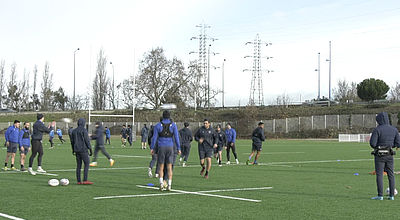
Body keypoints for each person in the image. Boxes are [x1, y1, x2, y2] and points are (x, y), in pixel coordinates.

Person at [370, 112, 400, 200]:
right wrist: (391, 146)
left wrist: (379, 146)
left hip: (379, 155)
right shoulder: (394, 129)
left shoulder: (377, 130)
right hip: (390, 154)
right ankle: (391, 195)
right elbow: (398, 143)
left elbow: (372, 143)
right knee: (391, 174)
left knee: (379, 175)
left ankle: (380, 195)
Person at [150, 110, 181, 191]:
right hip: (170, 147)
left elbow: (154, 138)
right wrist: (179, 148)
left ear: (162, 116)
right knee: (169, 166)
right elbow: (177, 137)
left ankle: (161, 184)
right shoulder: (173, 125)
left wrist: (152, 148)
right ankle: (169, 185)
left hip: (161, 146)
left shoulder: (157, 125)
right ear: (169, 116)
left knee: (161, 166)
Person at [71, 118, 93, 185]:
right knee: (86, 164)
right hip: (83, 150)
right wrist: (90, 149)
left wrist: (73, 150)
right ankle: (85, 180)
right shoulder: (84, 130)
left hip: (77, 150)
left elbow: (72, 141)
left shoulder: (74, 131)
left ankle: (78, 181)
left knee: (78, 165)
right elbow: (87, 140)